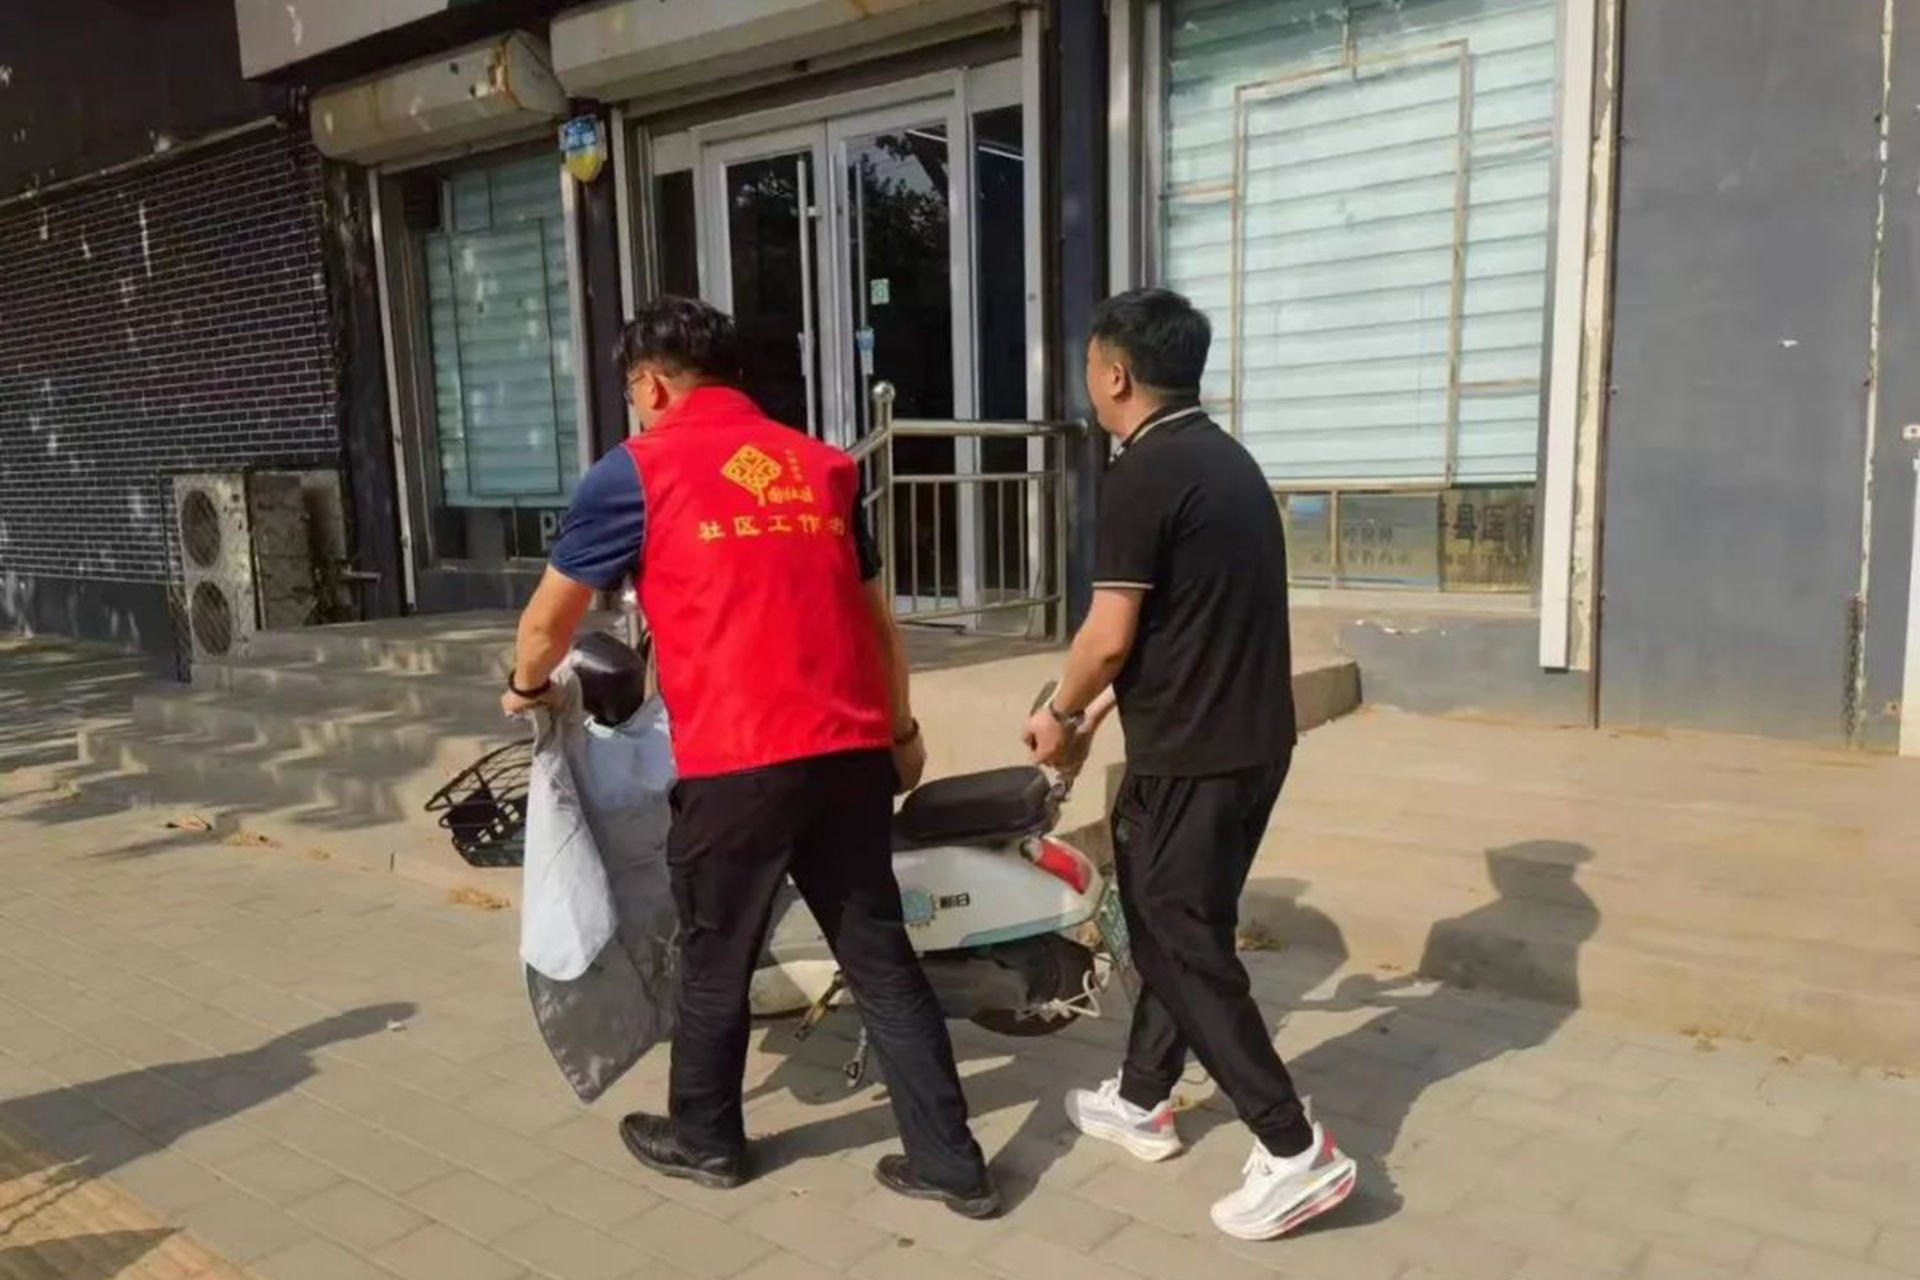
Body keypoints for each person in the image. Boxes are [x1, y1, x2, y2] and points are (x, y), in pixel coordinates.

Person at [502, 296, 998, 1218]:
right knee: (880, 958)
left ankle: (706, 1139)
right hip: (849, 753)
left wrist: (527, 688)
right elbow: (877, 624)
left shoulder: (636, 470)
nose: (635, 407)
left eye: (632, 392)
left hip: (738, 764)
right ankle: (951, 1162)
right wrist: (901, 733)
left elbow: (545, 626)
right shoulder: (824, 467)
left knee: (713, 956)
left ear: (651, 385)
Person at [1023, 288, 1355, 1241]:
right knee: (1176, 922)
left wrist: (1061, 712)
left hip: (1193, 753)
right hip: (1252, 742)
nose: (1088, 382)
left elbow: (1108, 635)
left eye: (1090, 366)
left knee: (1177, 939)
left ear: (1116, 374)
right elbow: (1185, 624)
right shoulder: (1228, 462)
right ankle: (1143, 1096)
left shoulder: (1145, 471)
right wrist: (1100, 712)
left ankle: (1294, 1149)